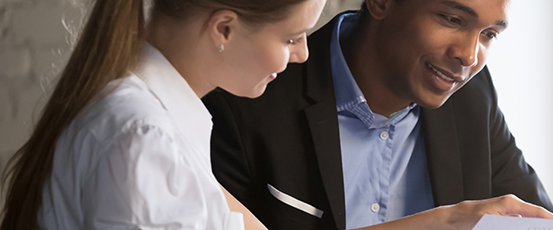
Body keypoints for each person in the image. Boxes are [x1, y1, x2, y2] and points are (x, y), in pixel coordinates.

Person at [202, 0, 553, 229]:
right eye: (452, 18)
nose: (469, 56)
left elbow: (538, 218)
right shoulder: (246, 100)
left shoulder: (472, 96)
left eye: (488, 35)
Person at [0, 0, 325, 229]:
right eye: (291, 38)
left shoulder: (153, 121)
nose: (303, 54)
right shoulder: (144, 140)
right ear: (224, 28)